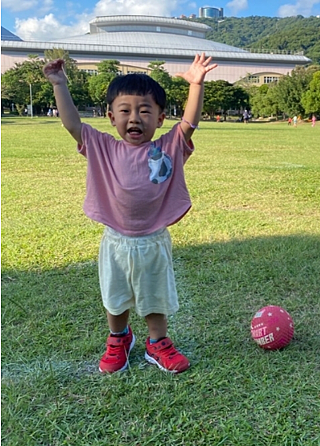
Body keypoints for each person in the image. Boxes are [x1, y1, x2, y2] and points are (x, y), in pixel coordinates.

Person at [43, 53, 218, 374]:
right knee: (116, 296)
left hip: (153, 241)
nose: (134, 118)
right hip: (116, 242)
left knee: (155, 296)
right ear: (111, 117)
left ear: (161, 117)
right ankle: (119, 338)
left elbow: (190, 123)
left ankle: (158, 342)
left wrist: (196, 85)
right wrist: (59, 84)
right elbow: (72, 124)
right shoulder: (103, 147)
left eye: (144, 111)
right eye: (125, 111)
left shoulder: (167, 147)